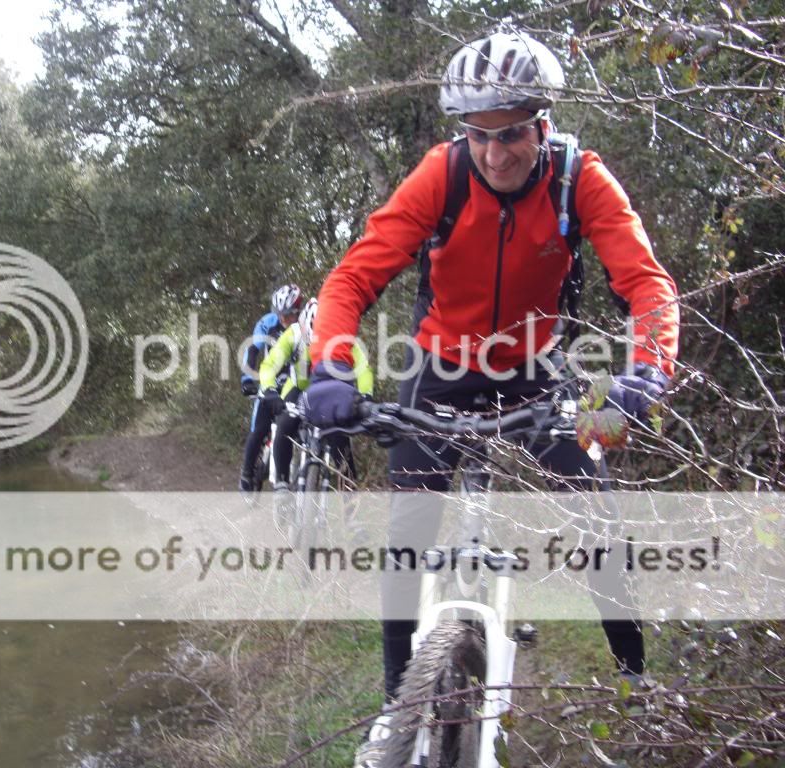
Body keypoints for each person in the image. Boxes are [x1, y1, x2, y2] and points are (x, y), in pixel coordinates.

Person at [301, 31, 679, 767]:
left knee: (593, 514)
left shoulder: (580, 180)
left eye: (511, 134)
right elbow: (350, 281)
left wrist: (644, 374)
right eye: (479, 135)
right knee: (407, 529)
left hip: (538, 368)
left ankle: (637, 679)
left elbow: (647, 285)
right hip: (443, 367)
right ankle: (394, 704)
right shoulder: (440, 177)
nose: (495, 152)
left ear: (543, 123)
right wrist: (334, 369)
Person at [258, 298, 374, 493]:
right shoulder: (294, 334)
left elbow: (363, 369)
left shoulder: (343, 337)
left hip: (330, 390)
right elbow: (270, 365)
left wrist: (366, 396)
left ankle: (352, 512)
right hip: (298, 389)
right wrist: (270, 390)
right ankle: (281, 484)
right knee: (285, 423)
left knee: (340, 439)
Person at [239, 283, 304, 492]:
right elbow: (252, 350)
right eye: (280, 314)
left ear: (298, 311)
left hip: (295, 386)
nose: (284, 319)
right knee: (259, 430)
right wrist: (247, 379)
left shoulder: (305, 326)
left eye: (289, 314)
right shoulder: (268, 323)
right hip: (270, 384)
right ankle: (246, 474)